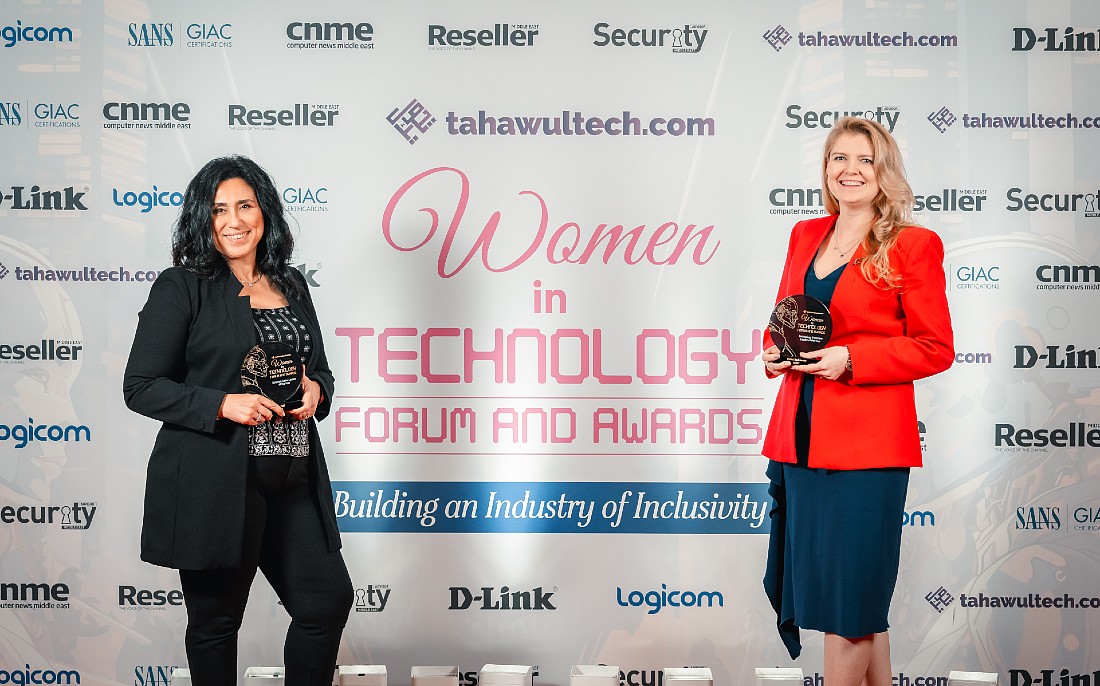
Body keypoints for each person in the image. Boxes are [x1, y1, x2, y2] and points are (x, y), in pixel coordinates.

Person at [123, 155, 353, 685]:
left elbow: (317, 367)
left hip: (292, 477)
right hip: (216, 481)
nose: (234, 220)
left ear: (265, 212)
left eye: (245, 205)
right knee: (216, 625)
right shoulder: (182, 286)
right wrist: (223, 403)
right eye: (219, 209)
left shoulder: (290, 284)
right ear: (202, 220)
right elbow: (140, 386)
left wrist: (319, 387)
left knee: (326, 603)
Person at [760, 117, 953, 686]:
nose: (850, 170)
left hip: (867, 452)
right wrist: (773, 351)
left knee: (849, 616)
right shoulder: (804, 234)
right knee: (859, 608)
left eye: (864, 160)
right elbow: (786, 320)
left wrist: (854, 361)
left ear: (884, 171)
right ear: (825, 170)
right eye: (838, 159)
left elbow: (935, 347)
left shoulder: (913, 244)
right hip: (800, 438)